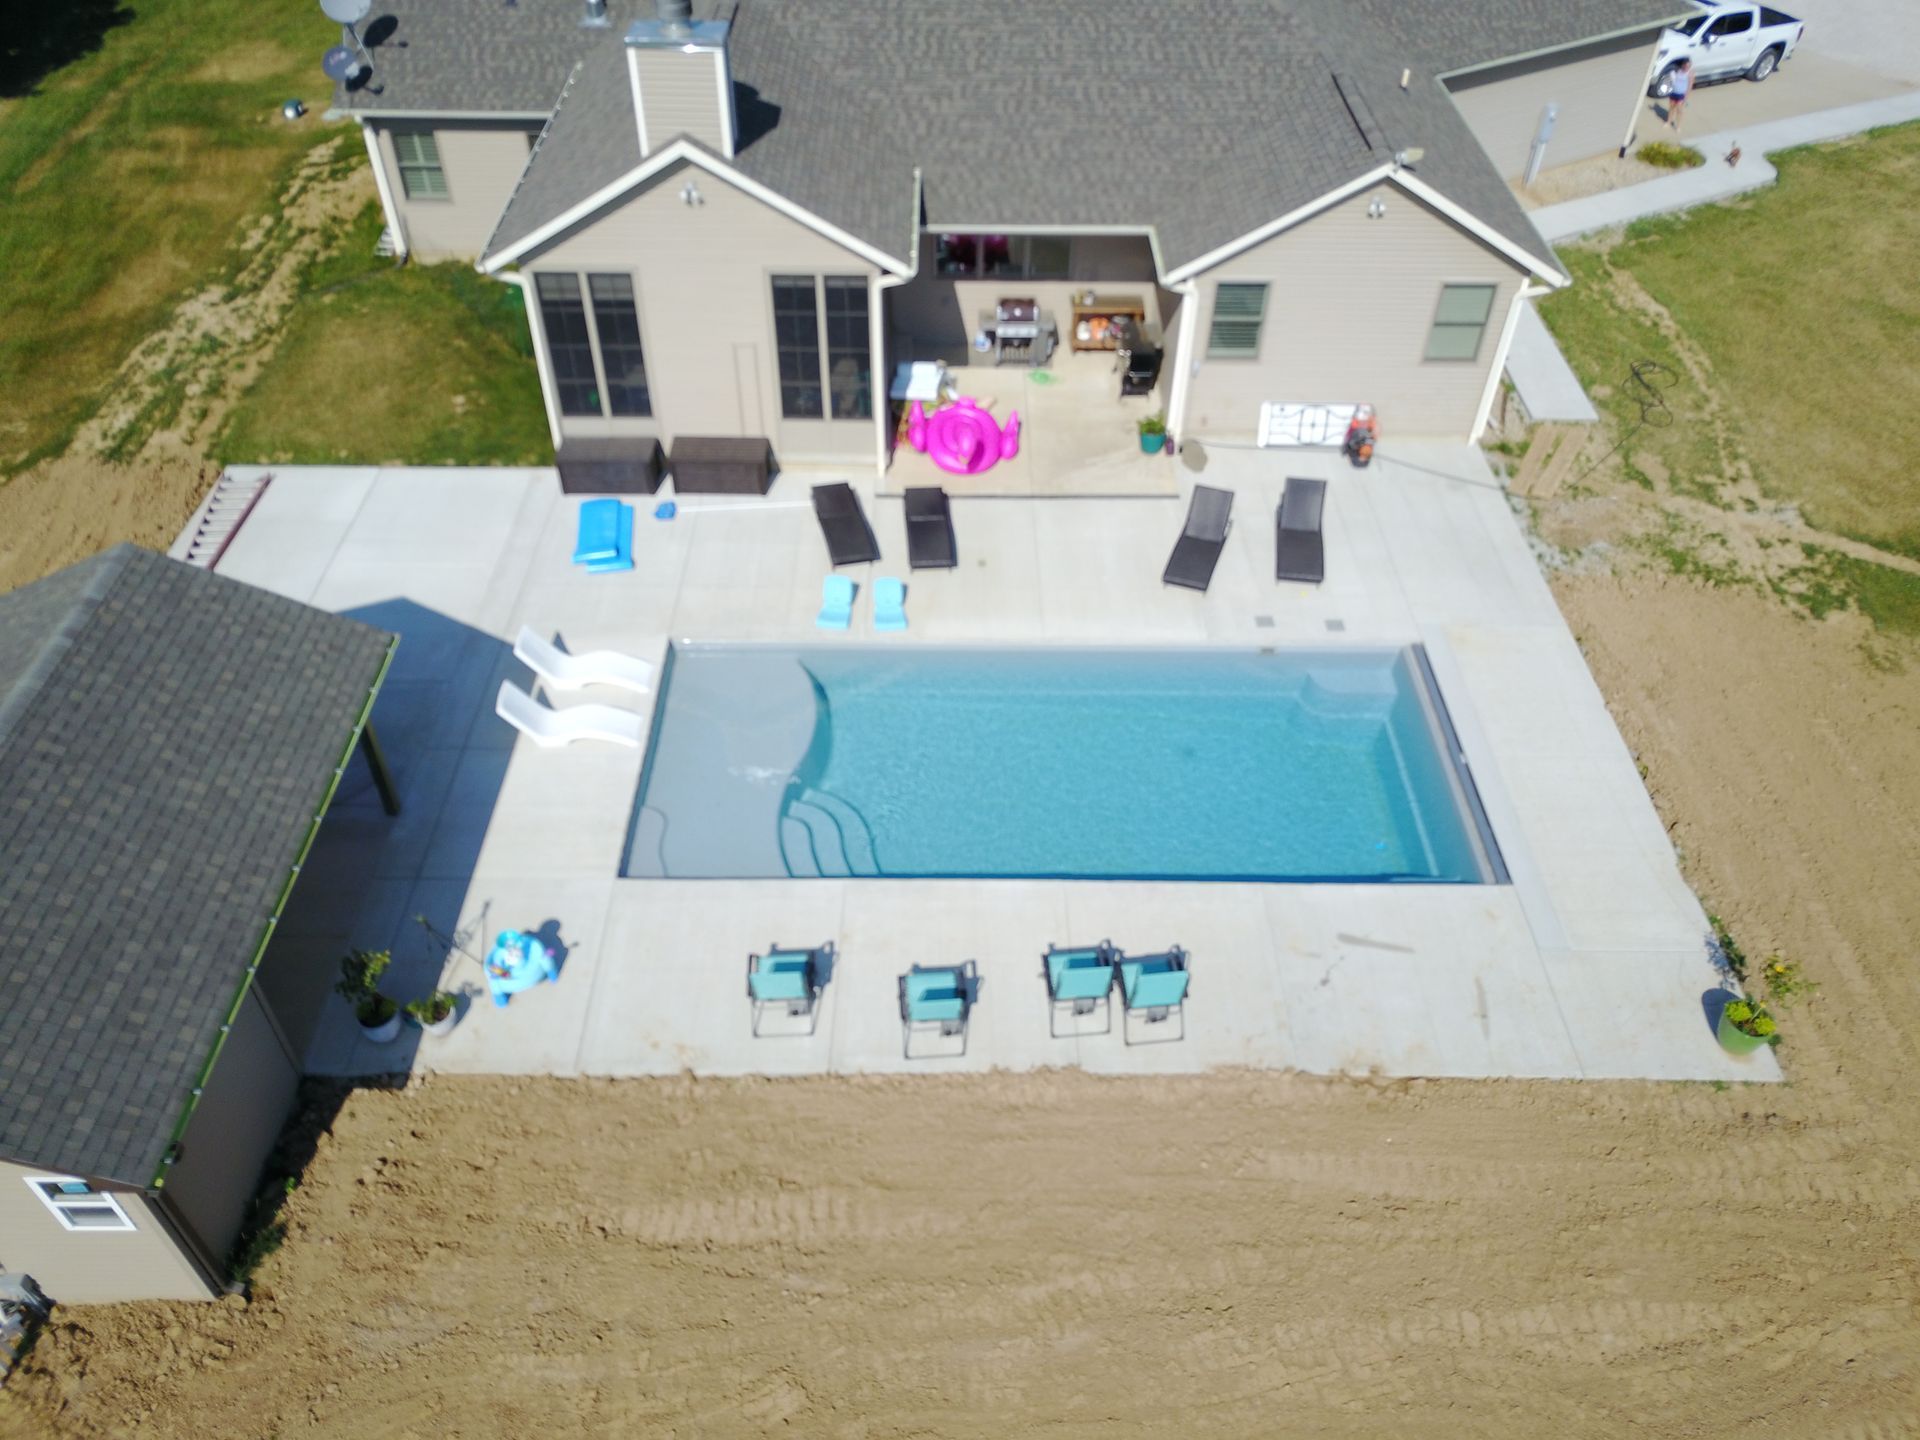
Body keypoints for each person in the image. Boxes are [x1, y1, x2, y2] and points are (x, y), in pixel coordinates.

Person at [1668, 59, 1693, 129]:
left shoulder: (1690, 74)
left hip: (1681, 94)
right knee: (1671, 108)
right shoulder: (1678, 71)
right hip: (1674, 92)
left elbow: (1689, 87)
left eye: (1688, 66)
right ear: (1683, 65)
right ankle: (1668, 122)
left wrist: (1686, 98)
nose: (1687, 67)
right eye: (1685, 66)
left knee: (1679, 111)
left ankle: (1678, 126)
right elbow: (1674, 80)